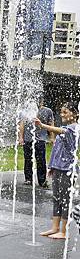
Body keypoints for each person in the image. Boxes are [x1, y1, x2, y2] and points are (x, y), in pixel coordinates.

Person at [35, 102, 79, 239]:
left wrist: (42, 126)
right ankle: (55, 227)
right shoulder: (65, 128)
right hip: (58, 168)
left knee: (65, 199)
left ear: (75, 114)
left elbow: (61, 131)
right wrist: (51, 167)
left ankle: (64, 231)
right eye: (61, 112)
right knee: (57, 198)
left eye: (65, 112)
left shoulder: (75, 128)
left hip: (68, 169)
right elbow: (56, 150)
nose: (62, 114)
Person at [18, 98, 54, 187]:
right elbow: (21, 124)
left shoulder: (47, 111)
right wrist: (20, 137)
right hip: (28, 139)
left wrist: (52, 138)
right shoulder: (25, 112)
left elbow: (51, 124)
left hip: (41, 139)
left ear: (42, 101)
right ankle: (28, 179)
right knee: (28, 159)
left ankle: (42, 180)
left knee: (41, 160)